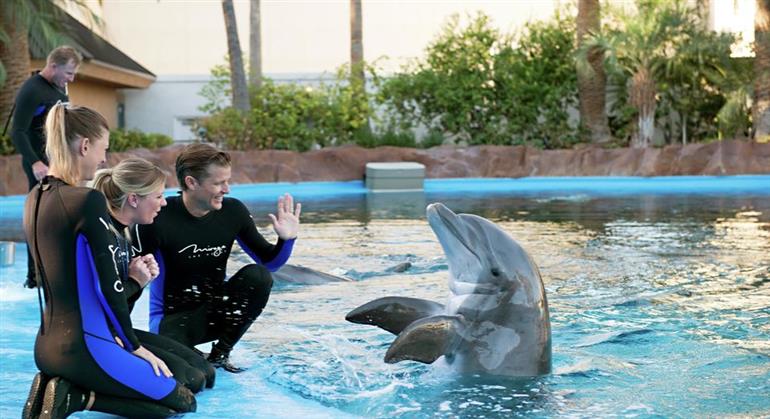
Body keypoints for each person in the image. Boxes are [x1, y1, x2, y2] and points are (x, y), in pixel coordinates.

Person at [22, 102, 195, 419]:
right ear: (85, 145)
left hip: (46, 347)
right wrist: (134, 347)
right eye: (103, 149)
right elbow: (107, 288)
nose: (104, 159)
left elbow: (39, 275)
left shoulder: (35, 197)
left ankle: (57, 387)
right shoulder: (86, 200)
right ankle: (75, 397)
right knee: (182, 401)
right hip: (86, 348)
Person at [133, 143, 301, 373]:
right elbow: (131, 278)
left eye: (227, 181)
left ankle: (221, 354)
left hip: (216, 314)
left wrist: (286, 240)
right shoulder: (159, 217)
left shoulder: (233, 212)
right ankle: (194, 356)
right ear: (192, 182)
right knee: (195, 375)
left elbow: (269, 263)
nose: (227, 189)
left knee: (259, 276)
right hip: (172, 323)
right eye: (219, 183)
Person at [91, 157, 216, 393]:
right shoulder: (104, 238)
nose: (164, 203)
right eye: (158, 196)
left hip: (119, 330)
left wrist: (142, 279)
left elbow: (123, 306)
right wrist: (135, 282)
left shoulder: (125, 236)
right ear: (134, 199)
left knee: (207, 373)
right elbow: (103, 302)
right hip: (102, 336)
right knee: (192, 381)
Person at [11, 46, 81, 289]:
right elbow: (17, 131)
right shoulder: (32, 90)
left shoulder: (59, 88)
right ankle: (34, 276)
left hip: (57, 162)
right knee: (39, 217)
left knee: (59, 217)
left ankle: (55, 270)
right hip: (40, 165)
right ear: (53, 66)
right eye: (69, 73)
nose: (72, 79)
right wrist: (35, 162)